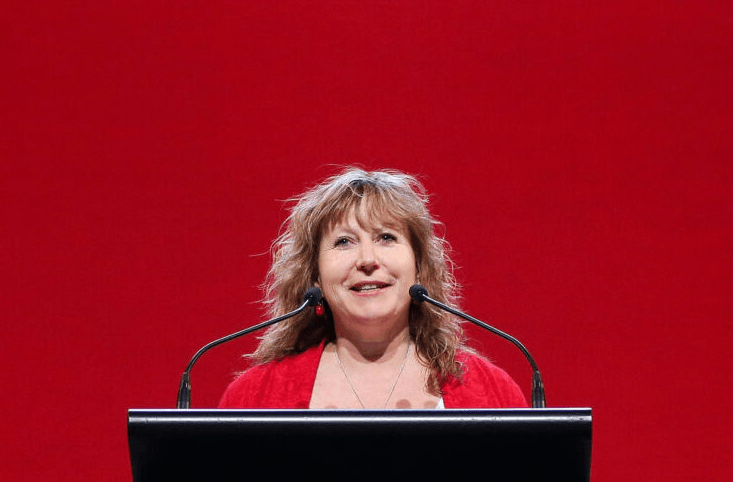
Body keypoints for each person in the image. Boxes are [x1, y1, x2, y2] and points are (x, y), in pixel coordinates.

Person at [219, 167, 526, 409]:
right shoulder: (254, 397)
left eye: (386, 238)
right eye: (344, 242)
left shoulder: (493, 392)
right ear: (315, 277)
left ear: (419, 267)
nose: (367, 260)